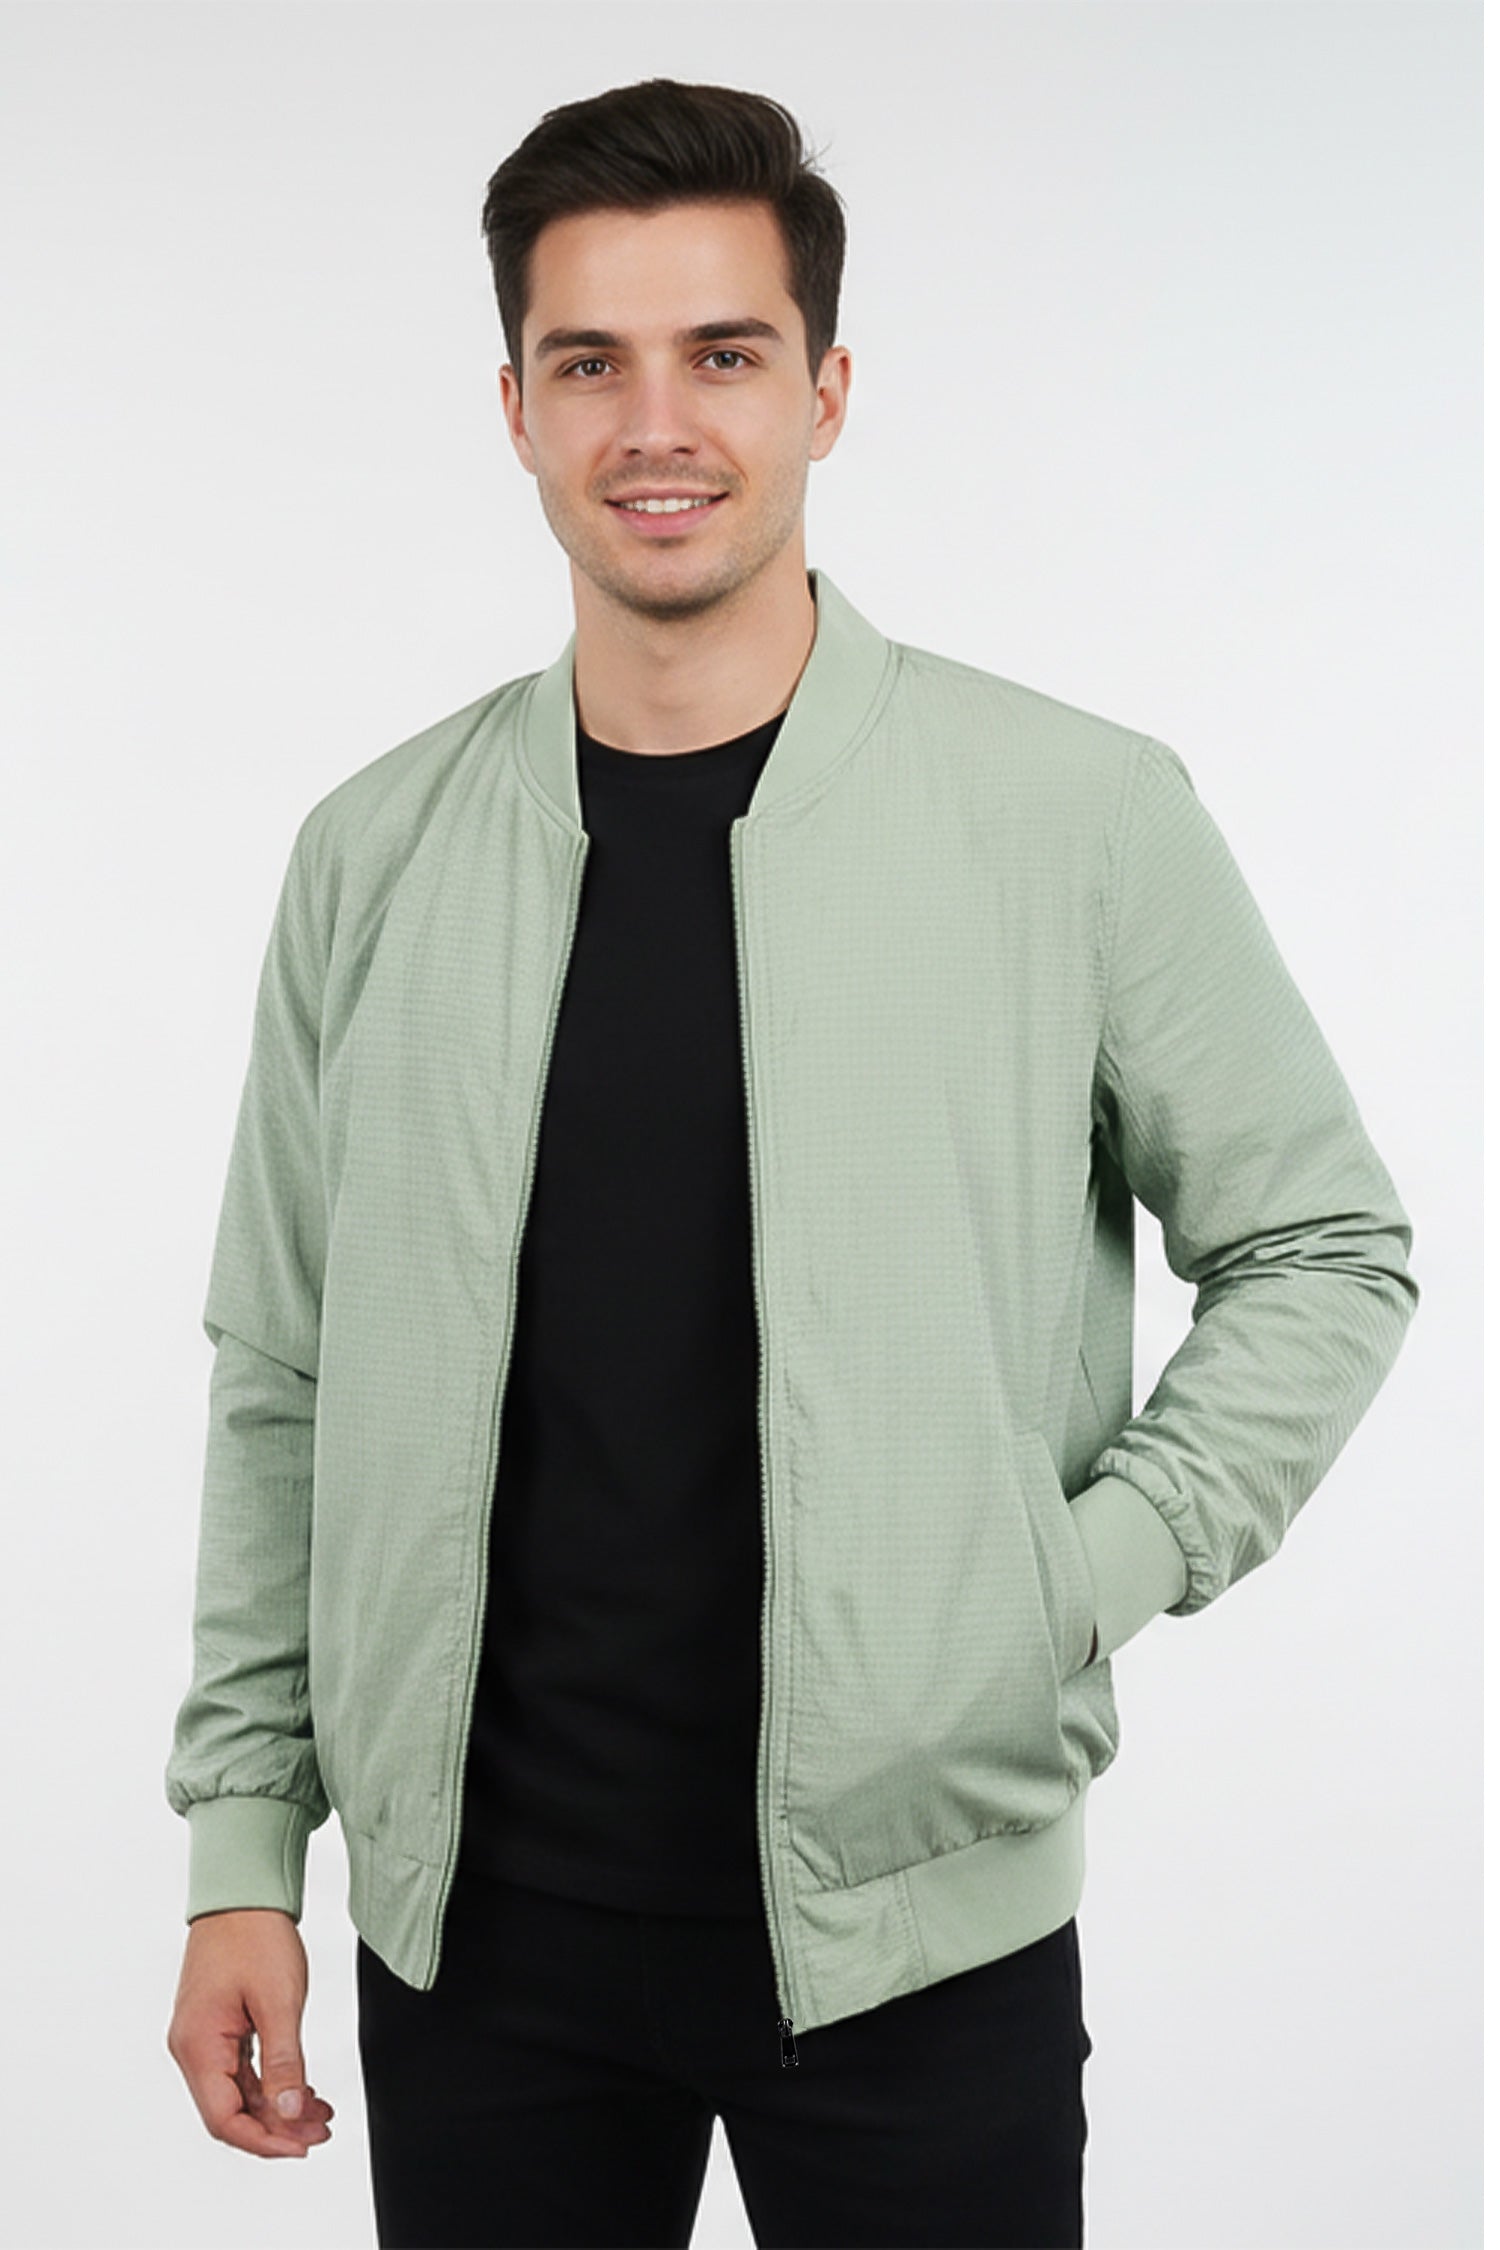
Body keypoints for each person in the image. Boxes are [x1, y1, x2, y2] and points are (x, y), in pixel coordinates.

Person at [163, 75, 1420, 2250]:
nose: (657, 425)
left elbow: (1325, 1245)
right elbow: (283, 1368)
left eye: (724, 354)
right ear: (516, 408)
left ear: (826, 393)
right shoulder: (371, 857)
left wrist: (1070, 1583)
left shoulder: (1072, 818)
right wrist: (239, 1851)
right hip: (475, 1950)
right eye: (591, 364)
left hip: (918, 1943)